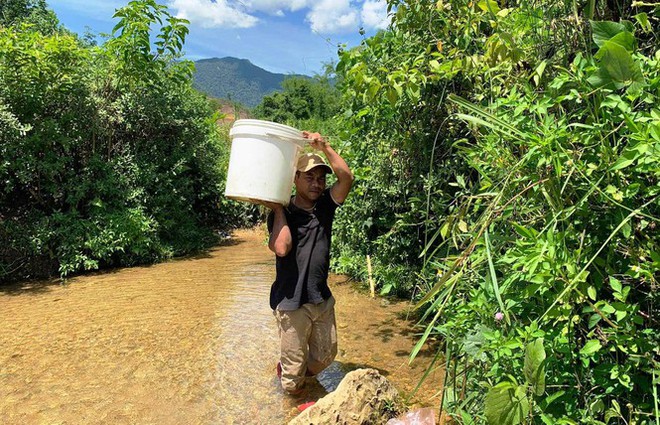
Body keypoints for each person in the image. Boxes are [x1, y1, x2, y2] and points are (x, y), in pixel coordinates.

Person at [261, 130, 353, 395]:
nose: (316, 183)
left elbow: (346, 177)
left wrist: (325, 146)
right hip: (292, 302)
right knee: (292, 377)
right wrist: (278, 208)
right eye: (309, 177)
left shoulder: (325, 205)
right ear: (295, 178)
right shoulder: (284, 211)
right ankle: (292, 402)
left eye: (321, 178)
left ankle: (300, 377)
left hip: (320, 297)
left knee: (326, 354)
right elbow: (281, 247)